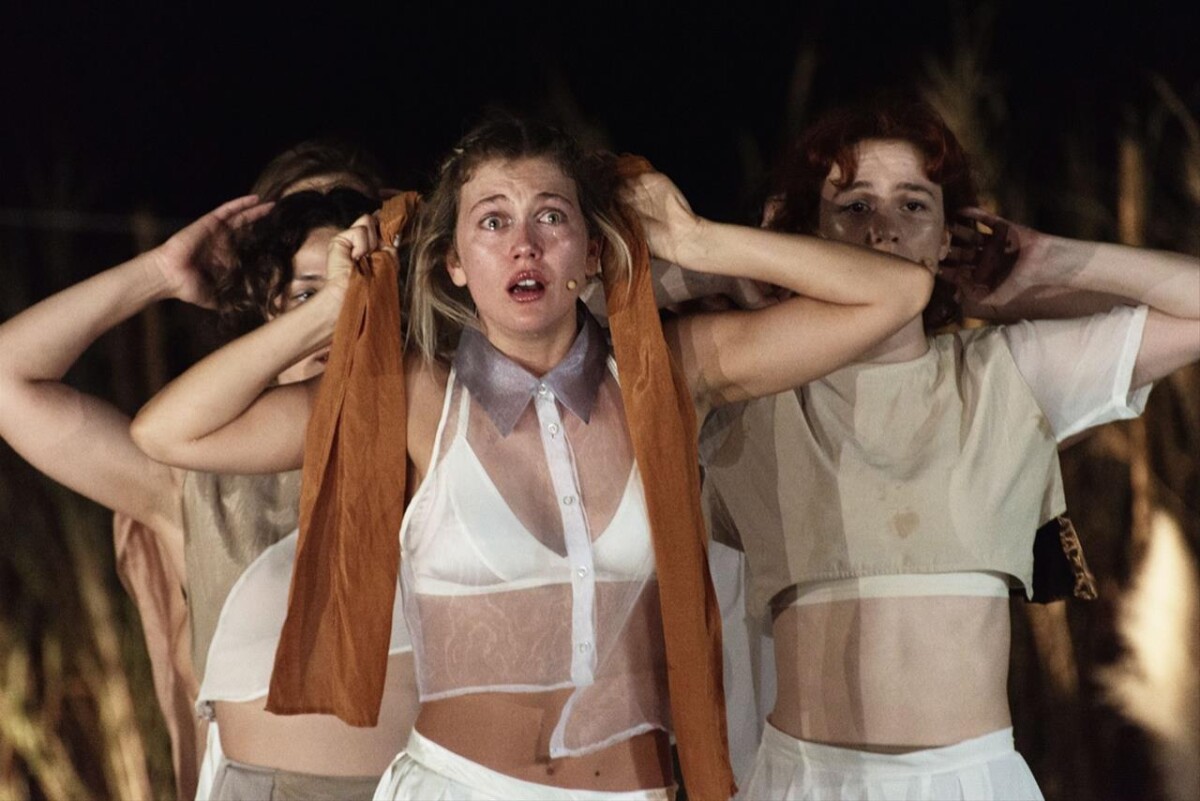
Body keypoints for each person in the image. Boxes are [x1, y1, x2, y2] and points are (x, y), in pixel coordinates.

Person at [130, 114, 934, 800]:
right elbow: (169, 433)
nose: (524, 244)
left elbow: (897, 295)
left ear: (591, 251)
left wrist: (700, 240)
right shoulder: (412, 396)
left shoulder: (667, 372)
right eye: (492, 221)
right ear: (454, 263)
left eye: (551, 217)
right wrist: (327, 315)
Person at [698, 99, 1200, 800]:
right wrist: (733, 268)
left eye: (914, 206)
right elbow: (597, 326)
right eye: (853, 206)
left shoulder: (1008, 373)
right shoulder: (743, 390)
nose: (883, 229)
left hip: (970, 781)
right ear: (807, 229)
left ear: (947, 236)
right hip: (805, 781)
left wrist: (1046, 264)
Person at [0, 146, 419, 801]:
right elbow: (8, 380)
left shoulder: (432, 433)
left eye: (357, 261)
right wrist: (161, 272)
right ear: (265, 299)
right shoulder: (193, 478)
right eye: (307, 286)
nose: (340, 300)